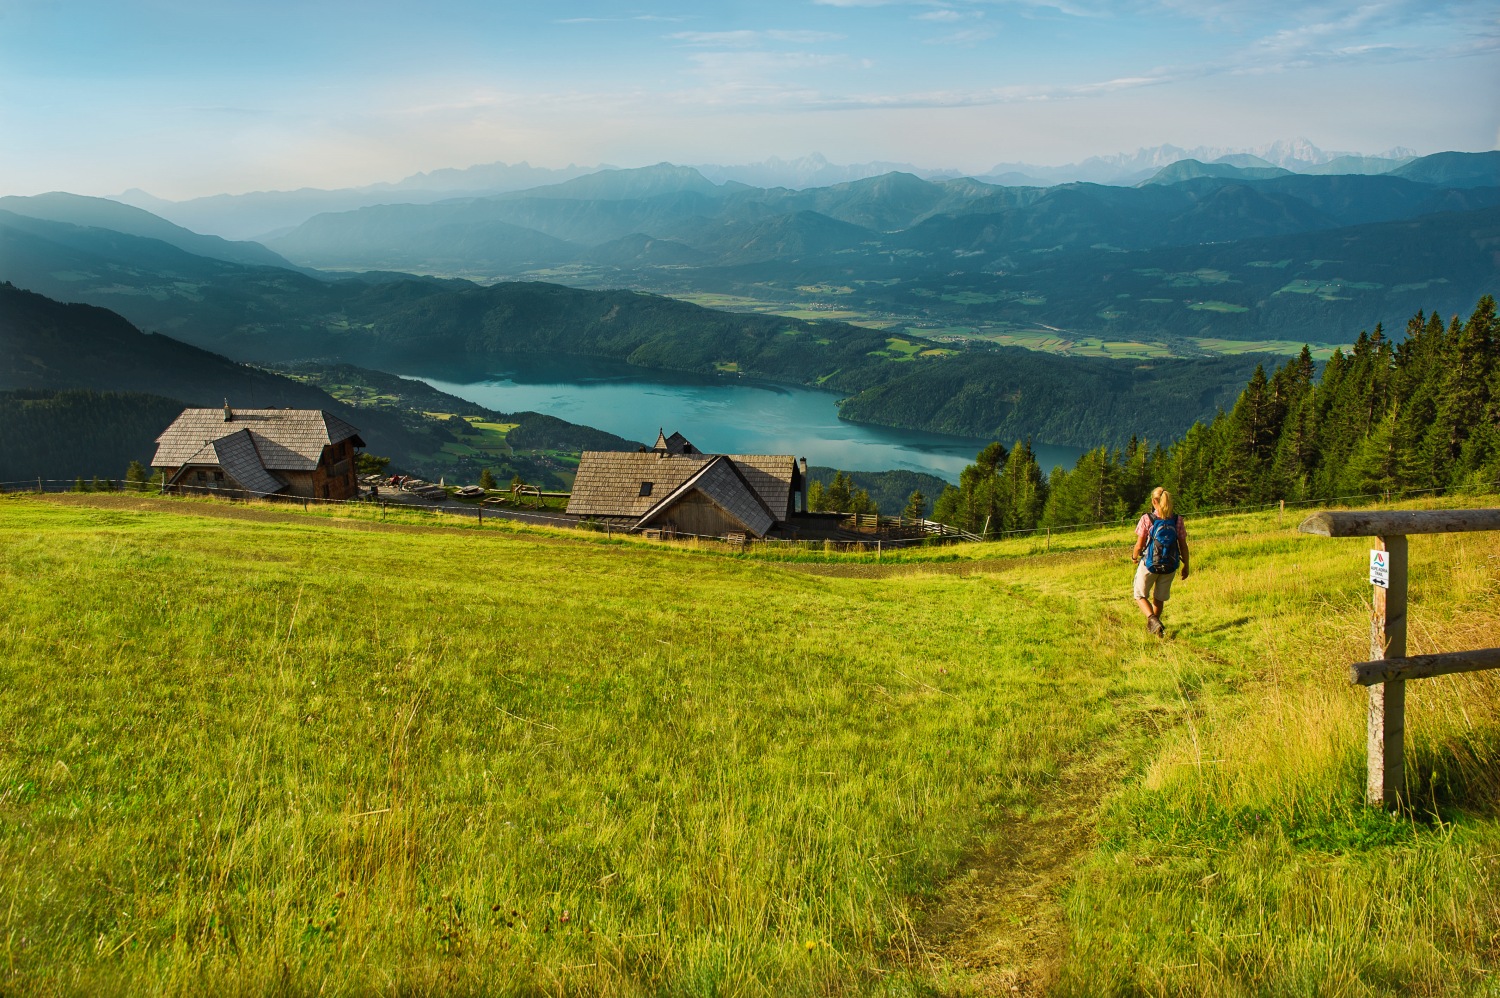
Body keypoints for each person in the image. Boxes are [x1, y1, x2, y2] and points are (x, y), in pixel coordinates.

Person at [1130, 486, 1190, 637]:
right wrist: (1186, 565)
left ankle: (1152, 620)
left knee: (1139, 594)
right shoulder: (1177, 520)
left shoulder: (1147, 519)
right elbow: (1183, 546)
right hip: (1170, 565)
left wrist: (1134, 557)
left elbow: (1139, 544)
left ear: (1154, 501)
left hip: (1150, 565)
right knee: (1159, 598)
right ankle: (1157, 631)